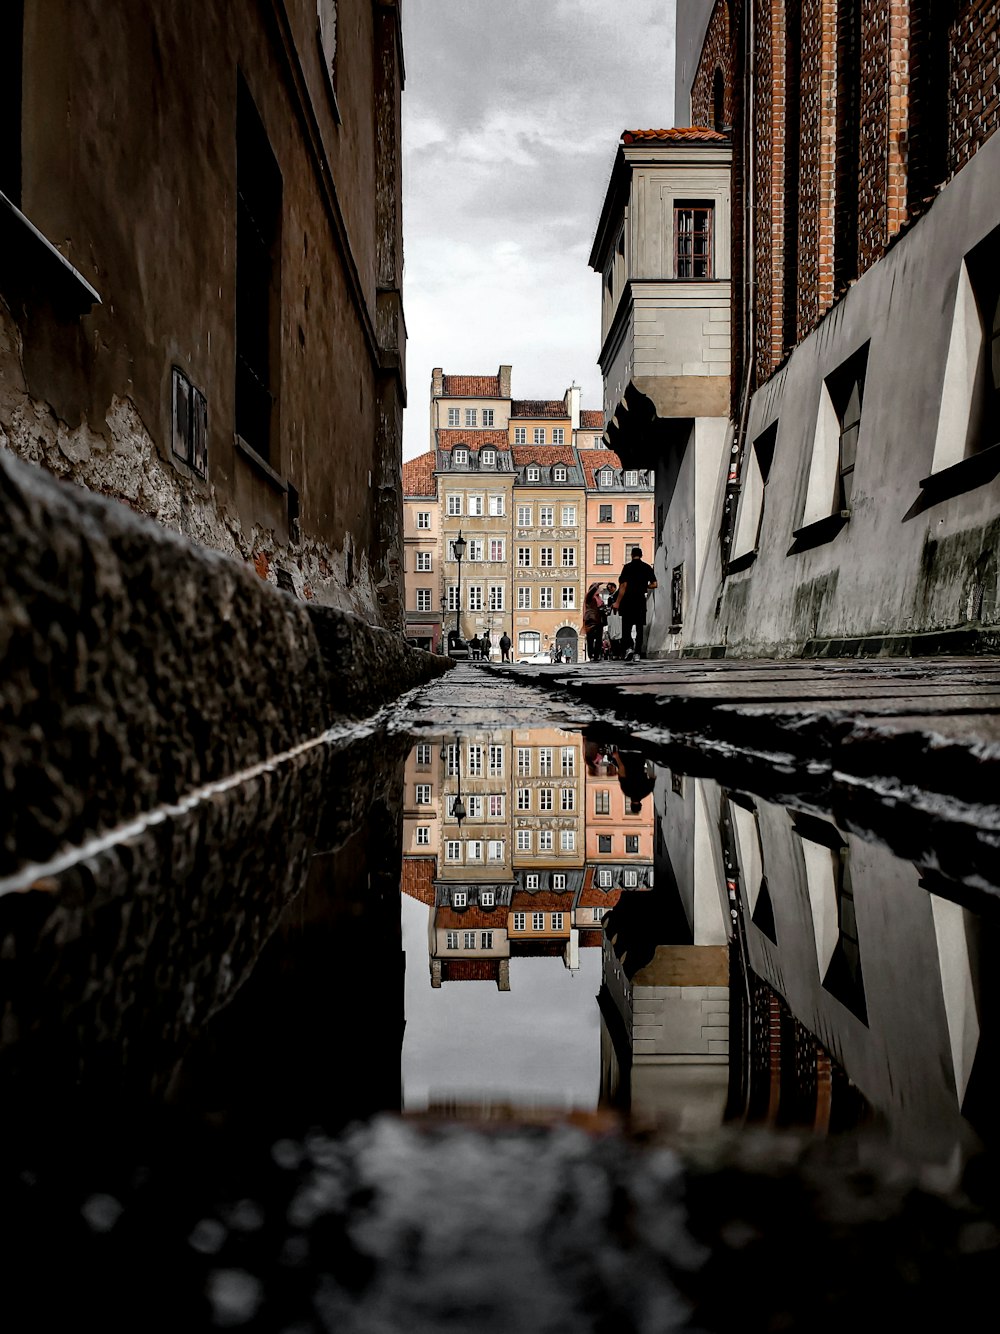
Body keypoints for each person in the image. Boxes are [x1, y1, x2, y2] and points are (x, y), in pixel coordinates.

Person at [611, 548, 657, 660]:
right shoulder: (647, 567)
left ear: (631, 555)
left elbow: (623, 586)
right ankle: (637, 653)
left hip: (627, 601)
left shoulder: (627, 568)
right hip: (640, 600)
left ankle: (629, 648)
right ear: (641, 555)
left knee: (626, 627)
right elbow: (654, 584)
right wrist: (643, 586)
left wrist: (617, 602)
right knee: (639, 627)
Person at [609, 746, 656, 814]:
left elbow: (652, 775)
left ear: (640, 804)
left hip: (639, 756)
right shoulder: (626, 790)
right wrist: (617, 757)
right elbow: (622, 770)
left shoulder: (646, 791)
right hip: (625, 755)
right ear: (630, 804)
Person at [582, 583, 607, 662]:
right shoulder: (590, 597)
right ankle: (591, 655)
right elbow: (590, 592)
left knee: (599, 638)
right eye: (598, 588)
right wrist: (597, 584)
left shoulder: (599, 598)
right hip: (591, 620)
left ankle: (596, 655)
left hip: (599, 620)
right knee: (590, 638)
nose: (600, 590)